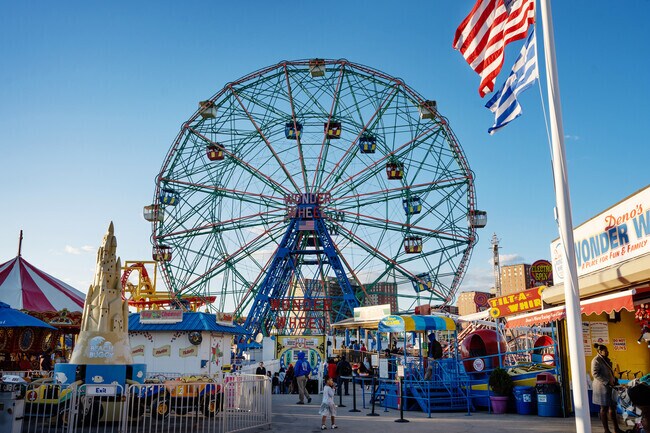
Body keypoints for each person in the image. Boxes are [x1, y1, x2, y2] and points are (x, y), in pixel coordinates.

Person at [591, 343, 624, 433]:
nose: (607, 352)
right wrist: (607, 381)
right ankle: (606, 430)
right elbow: (595, 374)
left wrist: (615, 380)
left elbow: (610, 373)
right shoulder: (596, 360)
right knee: (604, 408)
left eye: (607, 350)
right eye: (605, 351)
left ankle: (616, 429)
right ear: (599, 351)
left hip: (610, 387)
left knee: (613, 407)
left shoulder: (606, 360)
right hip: (602, 388)